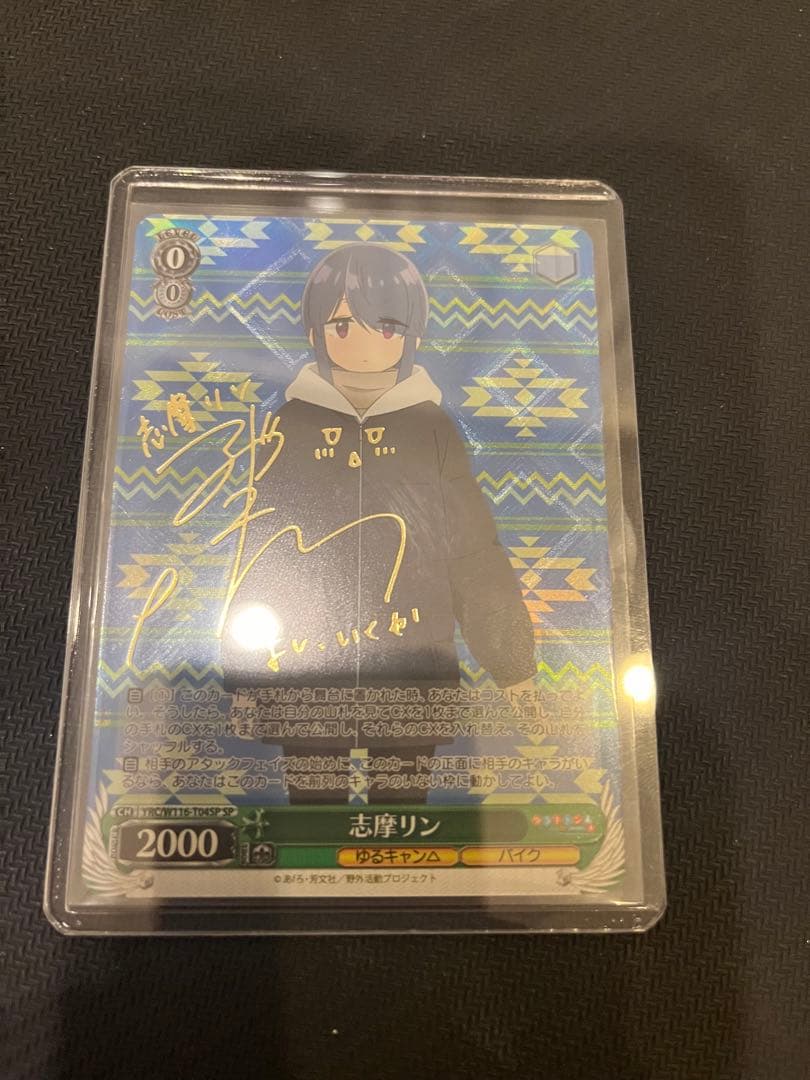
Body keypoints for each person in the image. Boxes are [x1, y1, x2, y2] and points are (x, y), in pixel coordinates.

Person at [222, 243, 535, 803]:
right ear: (315, 331)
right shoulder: (290, 423)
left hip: (413, 665)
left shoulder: (431, 427)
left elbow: (471, 550)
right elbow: (261, 546)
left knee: (402, 812)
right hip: (308, 669)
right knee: (312, 818)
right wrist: (246, 674)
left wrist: (512, 665)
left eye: (385, 326)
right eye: (343, 325)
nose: (364, 342)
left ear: (412, 334)